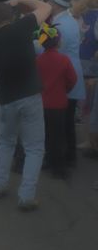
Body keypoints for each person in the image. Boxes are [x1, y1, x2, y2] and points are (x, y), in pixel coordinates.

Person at [0, 0, 52, 211]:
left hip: (7, 99)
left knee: (5, 142)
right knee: (34, 147)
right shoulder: (22, 27)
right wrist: (21, 0)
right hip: (30, 95)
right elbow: (46, 8)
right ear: (12, 17)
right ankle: (26, 196)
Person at [47, 0, 85, 166]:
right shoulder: (68, 21)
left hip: (64, 76)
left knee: (61, 121)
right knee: (68, 119)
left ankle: (61, 159)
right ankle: (70, 156)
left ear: (54, 5)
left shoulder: (59, 25)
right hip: (72, 72)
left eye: (49, 2)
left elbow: (44, 46)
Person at [36, 23, 77, 179]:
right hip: (58, 103)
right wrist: (64, 90)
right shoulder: (64, 59)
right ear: (58, 42)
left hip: (41, 103)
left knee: (44, 134)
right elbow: (72, 79)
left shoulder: (38, 60)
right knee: (58, 136)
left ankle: (46, 160)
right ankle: (58, 167)